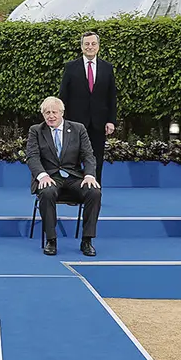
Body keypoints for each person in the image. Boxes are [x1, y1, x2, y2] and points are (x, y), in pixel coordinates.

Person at [26, 96, 101, 257]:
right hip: (50, 177)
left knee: (94, 192)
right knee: (46, 192)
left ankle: (87, 240)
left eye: (54, 112)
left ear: (62, 113)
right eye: (47, 112)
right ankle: (51, 240)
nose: (50, 116)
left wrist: (89, 175)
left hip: (73, 177)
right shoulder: (36, 131)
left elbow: (88, 155)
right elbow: (32, 157)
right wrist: (42, 175)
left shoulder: (78, 129)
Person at [59, 31, 117, 183]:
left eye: (93, 44)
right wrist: (62, 121)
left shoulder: (107, 68)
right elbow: (63, 95)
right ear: (81, 46)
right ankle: (75, 191)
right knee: (74, 157)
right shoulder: (71, 67)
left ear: (98, 46)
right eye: (87, 44)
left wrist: (111, 121)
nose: (90, 47)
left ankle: (94, 191)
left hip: (99, 123)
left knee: (97, 158)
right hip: (75, 122)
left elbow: (111, 97)